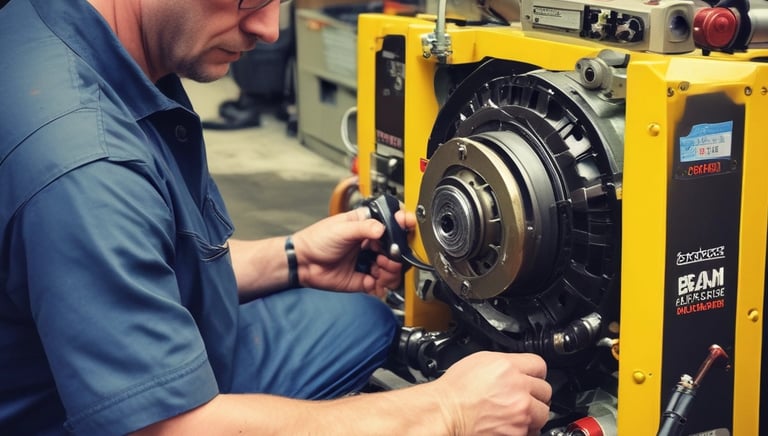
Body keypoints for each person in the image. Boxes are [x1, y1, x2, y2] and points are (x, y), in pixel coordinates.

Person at [0, 0, 552, 434]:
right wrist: (448, 411)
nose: (268, 29)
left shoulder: (50, 26)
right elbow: (166, 431)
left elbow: (120, 266)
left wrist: (292, 257)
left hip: (74, 349)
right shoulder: (86, 164)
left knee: (362, 320)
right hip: (80, 413)